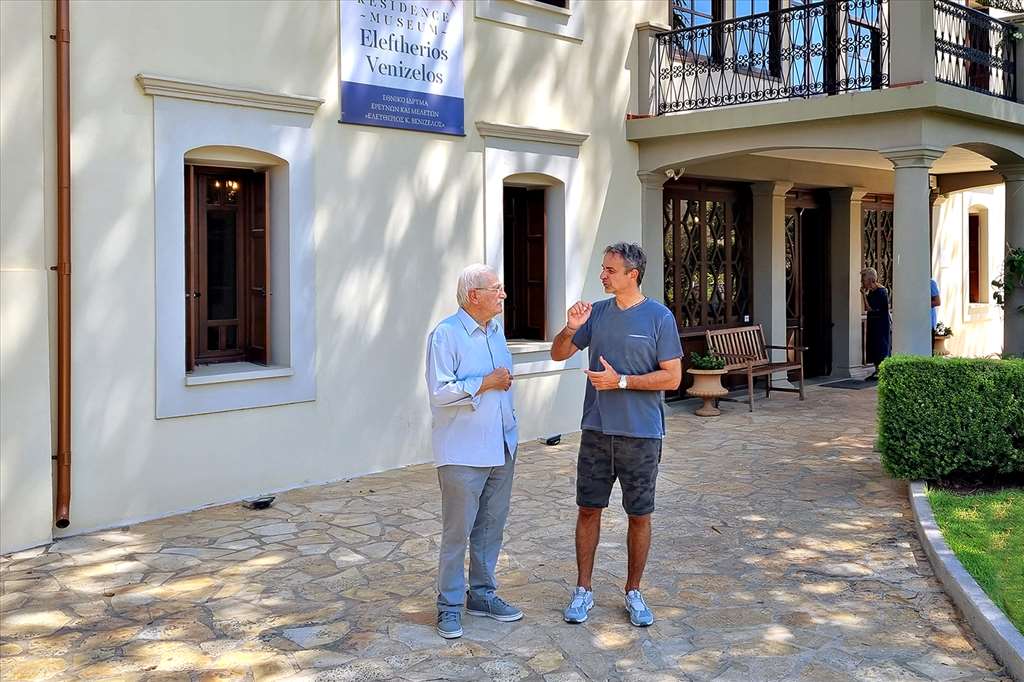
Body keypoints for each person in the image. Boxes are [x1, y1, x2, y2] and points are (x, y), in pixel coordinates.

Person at [550, 242, 683, 627]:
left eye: (610, 270)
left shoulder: (659, 317)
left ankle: (633, 591)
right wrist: (571, 328)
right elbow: (559, 353)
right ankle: (583, 589)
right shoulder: (597, 313)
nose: (603, 275)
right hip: (596, 431)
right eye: (603, 268)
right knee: (588, 509)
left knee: (639, 515)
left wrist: (621, 381)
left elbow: (672, 377)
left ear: (632, 274)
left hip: (641, 435)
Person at [425, 264, 522, 639]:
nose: (503, 295)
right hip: (462, 452)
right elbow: (440, 391)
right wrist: (485, 382)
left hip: (501, 445)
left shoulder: (496, 332)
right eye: (497, 288)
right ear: (473, 295)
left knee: (490, 529)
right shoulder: (445, 335)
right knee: (457, 534)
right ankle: (449, 606)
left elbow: (502, 385)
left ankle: (482, 596)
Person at [861, 267, 891, 381]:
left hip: (880, 324)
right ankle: (877, 370)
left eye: (863, 279)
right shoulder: (872, 292)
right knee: (873, 346)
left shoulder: (881, 291)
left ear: (870, 280)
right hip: (873, 323)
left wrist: (863, 295)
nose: (862, 282)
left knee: (881, 346)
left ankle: (882, 371)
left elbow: (869, 308)